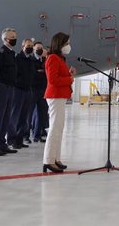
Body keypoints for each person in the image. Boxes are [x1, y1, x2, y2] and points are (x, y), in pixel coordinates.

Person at [43, 32, 74, 173]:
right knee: (54, 129)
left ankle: (56, 158)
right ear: (59, 44)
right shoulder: (52, 58)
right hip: (55, 96)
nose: (68, 46)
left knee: (59, 129)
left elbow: (60, 76)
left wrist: (69, 74)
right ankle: (48, 160)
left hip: (60, 96)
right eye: (66, 43)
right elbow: (53, 80)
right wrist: (70, 79)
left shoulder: (60, 58)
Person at [0, 28, 18, 156]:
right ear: (5, 39)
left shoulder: (11, 53)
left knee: (6, 117)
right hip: (1, 87)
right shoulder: (1, 53)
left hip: (10, 87)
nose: (14, 39)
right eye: (12, 37)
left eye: (15, 36)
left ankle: (2, 143)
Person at [8, 39, 35, 149]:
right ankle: (11, 140)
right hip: (18, 90)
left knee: (24, 117)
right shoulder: (18, 58)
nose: (30, 47)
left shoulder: (31, 59)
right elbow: (15, 74)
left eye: (31, 46)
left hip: (28, 90)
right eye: (28, 45)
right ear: (23, 46)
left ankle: (19, 139)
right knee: (15, 116)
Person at [30, 41, 49, 142]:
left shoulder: (44, 60)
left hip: (43, 89)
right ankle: (26, 135)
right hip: (33, 89)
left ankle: (38, 134)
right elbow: (33, 74)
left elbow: (47, 73)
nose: (40, 50)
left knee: (42, 113)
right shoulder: (31, 60)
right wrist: (40, 72)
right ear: (34, 49)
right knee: (30, 113)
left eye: (41, 48)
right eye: (37, 48)